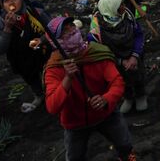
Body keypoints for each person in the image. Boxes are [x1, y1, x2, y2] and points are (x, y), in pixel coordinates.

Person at [44, 16, 136, 161]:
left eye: (72, 28)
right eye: (65, 34)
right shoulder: (54, 68)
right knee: (75, 157)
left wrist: (106, 99)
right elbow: (52, 106)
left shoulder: (97, 53)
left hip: (106, 114)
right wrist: (67, 79)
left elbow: (117, 82)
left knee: (125, 145)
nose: (73, 33)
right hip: (74, 123)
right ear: (55, 43)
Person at [0, 0, 51, 113]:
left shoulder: (35, 13)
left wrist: (41, 40)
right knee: (31, 77)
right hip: (20, 59)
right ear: (2, 6)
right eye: (7, 0)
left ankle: (54, 93)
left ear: (21, 0)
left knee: (49, 73)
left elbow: (53, 30)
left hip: (42, 52)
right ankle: (39, 95)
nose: (11, 2)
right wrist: (7, 28)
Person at [88, 0, 147, 114]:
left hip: (133, 56)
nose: (123, 7)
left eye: (123, 3)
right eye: (120, 4)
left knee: (137, 75)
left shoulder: (128, 16)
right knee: (120, 79)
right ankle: (128, 97)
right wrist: (120, 61)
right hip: (113, 60)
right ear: (111, 6)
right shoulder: (97, 27)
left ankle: (140, 95)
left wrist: (134, 56)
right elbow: (98, 50)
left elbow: (139, 35)